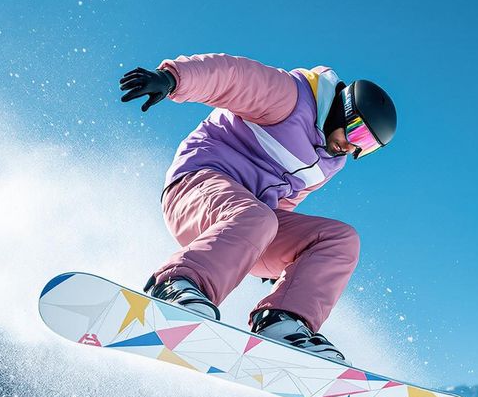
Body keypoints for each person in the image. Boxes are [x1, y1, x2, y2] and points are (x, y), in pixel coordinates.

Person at [120, 53, 398, 365]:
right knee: (258, 217)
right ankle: (175, 288)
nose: (354, 147)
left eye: (368, 147)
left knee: (340, 239)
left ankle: (283, 323)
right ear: (345, 111)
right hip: (195, 188)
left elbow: (285, 199)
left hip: (248, 223)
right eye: (358, 134)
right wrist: (173, 78)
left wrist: (281, 256)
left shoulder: (330, 163)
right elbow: (229, 77)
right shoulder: (290, 97)